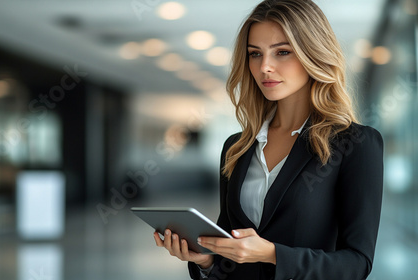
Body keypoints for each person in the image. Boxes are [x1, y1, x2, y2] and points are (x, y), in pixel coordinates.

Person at [152, 0, 384, 279]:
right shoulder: (236, 148)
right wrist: (206, 261)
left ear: (314, 54)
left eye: (282, 52)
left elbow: (357, 264)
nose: (265, 67)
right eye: (255, 54)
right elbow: (230, 259)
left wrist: (271, 253)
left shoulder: (356, 144)